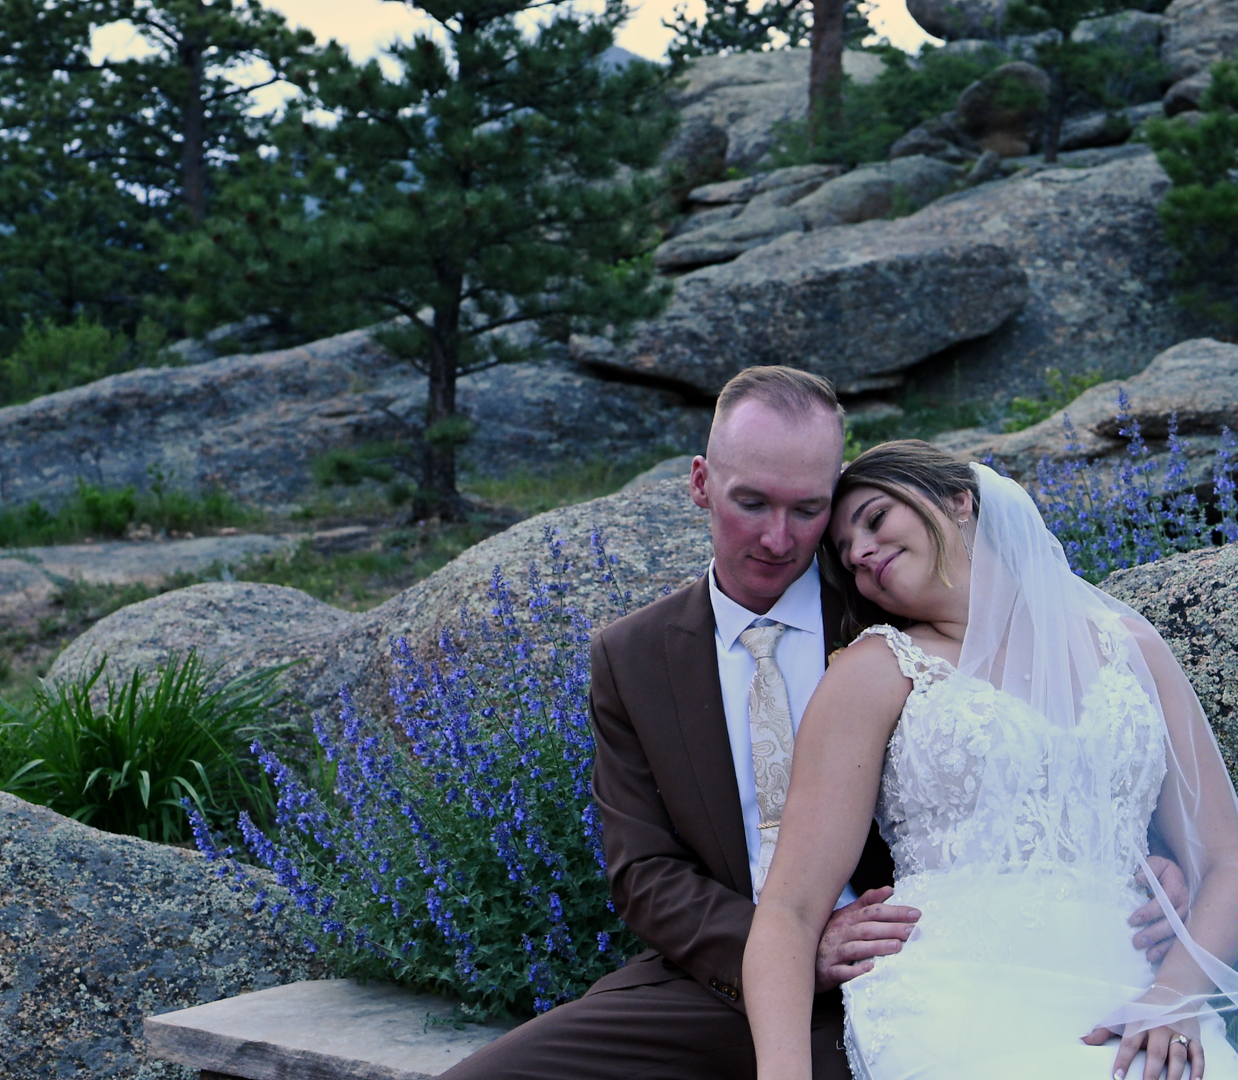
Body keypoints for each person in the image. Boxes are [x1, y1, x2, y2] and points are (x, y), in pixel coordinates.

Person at [440, 368, 1189, 1080]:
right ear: (701, 484)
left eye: (807, 509)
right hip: (718, 982)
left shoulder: (890, 601)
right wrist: (800, 947)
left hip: (914, 972)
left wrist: (1141, 861)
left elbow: (1033, 741)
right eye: (752, 503)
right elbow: (643, 872)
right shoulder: (633, 655)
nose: (778, 537)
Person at [743, 442, 1238, 1080]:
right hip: (957, 997)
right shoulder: (872, 672)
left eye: (875, 519)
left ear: (959, 502)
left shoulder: (1130, 647)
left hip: (1136, 991)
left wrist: (1175, 995)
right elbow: (790, 909)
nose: (858, 552)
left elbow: (1226, 862)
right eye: (845, 555)